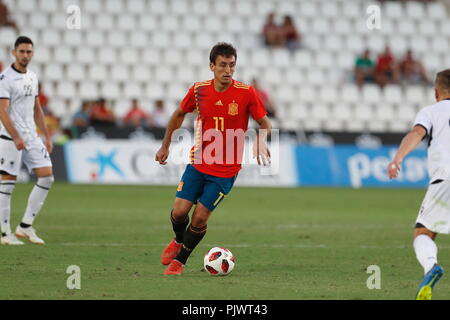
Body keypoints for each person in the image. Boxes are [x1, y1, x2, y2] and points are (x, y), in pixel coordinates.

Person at [155, 42, 272, 275]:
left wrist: (261, 139)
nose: (228, 70)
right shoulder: (199, 91)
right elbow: (178, 115)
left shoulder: (246, 92)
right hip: (199, 162)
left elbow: (265, 124)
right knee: (179, 212)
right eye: (223, 65)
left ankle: (180, 261)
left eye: (232, 65)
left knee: (199, 217)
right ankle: (178, 239)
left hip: (226, 170)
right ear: (212, 66)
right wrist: (165, 145)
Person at [387, 69, 450, 300]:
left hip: (445, 178)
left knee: (423, 232)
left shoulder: (431, 111)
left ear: (436, 92)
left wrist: (398, 158)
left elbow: (416, 133)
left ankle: (431, 267)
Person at [0, 36, 54, 245]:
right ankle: (5, 233)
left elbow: (37, 108)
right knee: (8, 183)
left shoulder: (32, 76)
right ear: (14, 52)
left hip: (31, 136)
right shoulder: (5, 79)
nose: (25, 55)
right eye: (21, 51)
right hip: (9, 137)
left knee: (47, 176)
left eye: (29, 52)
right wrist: (15, 136)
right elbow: (2, 111)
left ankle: (25, 226)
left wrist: (46, 135)